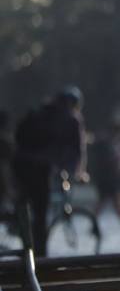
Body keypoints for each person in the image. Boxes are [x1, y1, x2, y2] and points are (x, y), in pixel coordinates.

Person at [12, 87, 86, 256]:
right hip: (40, 168)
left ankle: (20, 235)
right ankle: (39, 256)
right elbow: (77, 150)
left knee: (24, 207)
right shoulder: (71, 118)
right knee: (40, 214)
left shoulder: (44, 111)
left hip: (21, 163)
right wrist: (76, 172)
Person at [92, 119, 120, 234]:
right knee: (108, 203)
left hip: (111, 179)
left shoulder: (114, 144)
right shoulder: (108, 144)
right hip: (108, 179)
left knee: (110, 203)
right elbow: (114, 162)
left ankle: (94, 223)